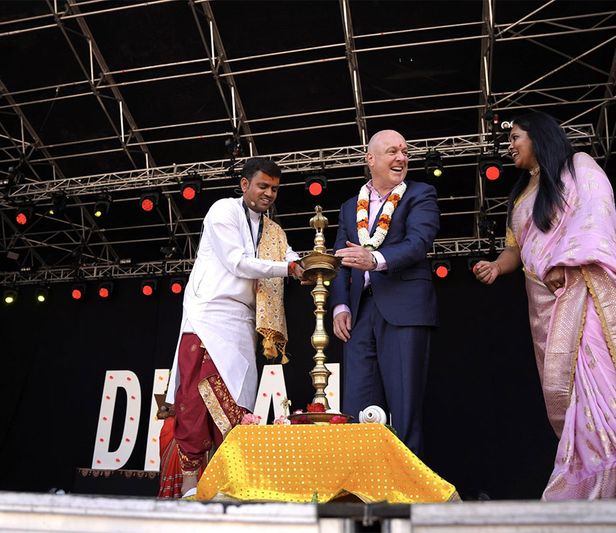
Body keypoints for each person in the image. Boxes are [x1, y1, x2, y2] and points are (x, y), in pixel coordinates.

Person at [472, 111, 616, 500]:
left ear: (539, 137)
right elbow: (515, 250)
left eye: (515, 137)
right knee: (575, 398)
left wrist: (564, 262)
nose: (509, 146)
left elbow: (595, 215)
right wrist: (496, 267)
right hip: (546, 306)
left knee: (602, 386)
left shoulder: (578, 166)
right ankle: (589, 474)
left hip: (584, 294)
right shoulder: (519, 195)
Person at [161, 157, 305, 499]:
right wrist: (290, 269)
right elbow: (238, 263)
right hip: (208, 315)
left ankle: (226, 483)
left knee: (238, 403)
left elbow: (291, 256)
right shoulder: (222, 211)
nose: (269, 193)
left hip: (243, 321)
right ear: (244, 185)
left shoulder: (271, 230)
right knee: (196, 401)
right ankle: (191, 487)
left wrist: (314, 264)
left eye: (274, 189)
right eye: (263, 186)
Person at [331, 129, 440, 456]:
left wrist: (374, 259)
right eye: (392, 151)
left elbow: (419, 243)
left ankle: (409, 496)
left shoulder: (421, 194)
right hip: (360, 312)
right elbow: (339, 259)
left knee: (404, 407)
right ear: (371, 159)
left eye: (405, 152)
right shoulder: (351, 207)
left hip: (404, 310)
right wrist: (339, 306)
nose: (401, 158)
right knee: (356, 406)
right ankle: (362, 489)